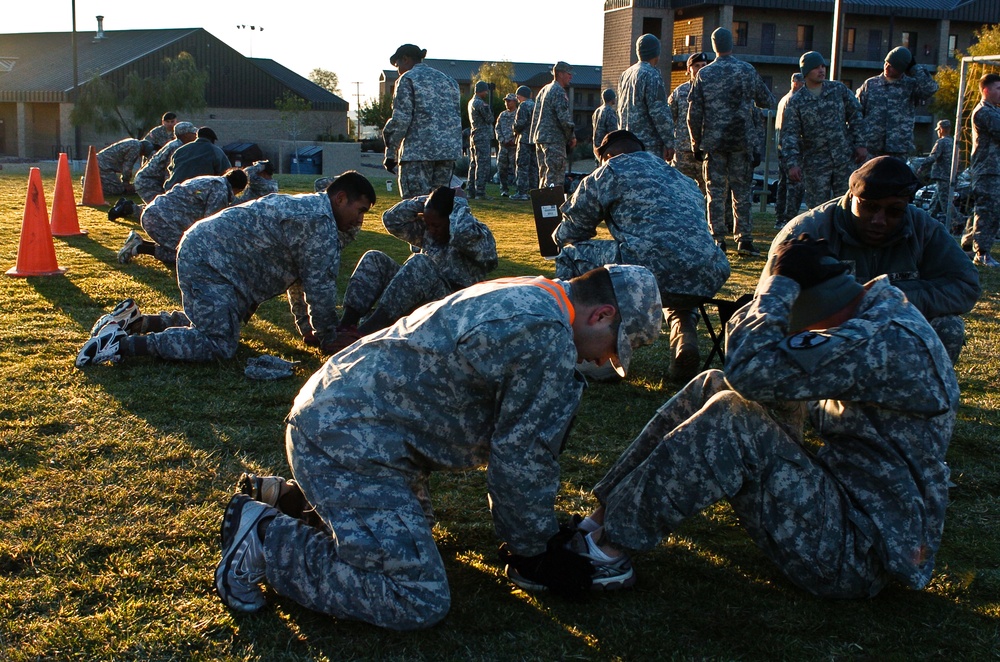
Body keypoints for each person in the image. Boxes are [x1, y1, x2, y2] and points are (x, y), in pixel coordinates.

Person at [212, 264, 664, 628]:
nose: (604, 359)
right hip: (348, 441)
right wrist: (535, 551)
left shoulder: (534, 291)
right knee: (415, 595)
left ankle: (295, 500)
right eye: (614, 347)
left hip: (348, 423)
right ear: (601, 314)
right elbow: (522, 455)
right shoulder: (544, 334)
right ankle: (265, 539)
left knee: (414, 531)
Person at [585, 233, 959, 601]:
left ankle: (608, 551)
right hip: (847, 506)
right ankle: (601, 518)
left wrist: (777, 289)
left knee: (732, 416)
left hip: (860, 553)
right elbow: (740, 371)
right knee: (713, 385)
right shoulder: (868, 311)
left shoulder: (875, 339)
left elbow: (750, 371)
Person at [76, 172, 376, 367]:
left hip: (213, 257)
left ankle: (138, 321)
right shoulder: (320, 223)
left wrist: (308, 329)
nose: (359, 220)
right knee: (217, 344)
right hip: (211, 261)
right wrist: (327, 335)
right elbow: (319, 285)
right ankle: (122, 345)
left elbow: (301, 278)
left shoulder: (312, 209)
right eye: (359, 210)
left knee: (223, 320)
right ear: (340, 198)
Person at [764, 155, 980, 363]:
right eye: (869, 207)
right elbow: (768, 306)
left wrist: (890, 298)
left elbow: (966, 285)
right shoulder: (808, 231)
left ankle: (909, 398)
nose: (879, 220)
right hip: (826, 339)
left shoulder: (922, 228)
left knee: (948, 326)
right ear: (851, 197)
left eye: (894, 211)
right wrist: (840, 307)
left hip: (893, 333)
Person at [553, 130, 730, 380]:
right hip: (707, 274)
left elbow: (571, 231)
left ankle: (592, 352)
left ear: (609, 156)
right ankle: (684, 336)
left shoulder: (611, 170)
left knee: (569, 256)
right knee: (673, 267)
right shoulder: (680, 177)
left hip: (650, 271)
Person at [337, 185, 498, 345]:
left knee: (421, 263)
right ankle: (345, 327)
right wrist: (428, 201)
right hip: (419, 298)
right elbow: (392, 220)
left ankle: (365, 332)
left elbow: (462, 234)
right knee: (375, 258)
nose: (431, 230)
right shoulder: (431, 233)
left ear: (451, 217)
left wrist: (459, 203)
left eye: (436, 225)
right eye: (428, 224)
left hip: (451, 310)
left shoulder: (479, 236)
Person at [687, 27, 775, 256]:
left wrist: (696, 143)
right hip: (742, 141)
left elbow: (693, 114)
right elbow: (767, 100)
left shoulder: (704, 75)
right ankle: (744, 240)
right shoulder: (746, 70)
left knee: (715, 193)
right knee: (742, 193)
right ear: (731, 44)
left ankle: (717, 239)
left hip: (714, 143)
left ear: (714, 46)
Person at [782, 51, 869, 210]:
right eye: (816, 67)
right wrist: (792, 164)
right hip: (816, 163)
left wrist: (861, 144)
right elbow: (790, 135)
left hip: (843, 159)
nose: (821, 70)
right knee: (819, 209)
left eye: (823, 66)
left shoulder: (838, 90)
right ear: (806, 72)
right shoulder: (796, 102)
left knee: (848, 204)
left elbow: (856, 115)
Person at [116, 168, 249, 267]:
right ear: (238, 189)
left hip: (155, 213)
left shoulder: (210, 180)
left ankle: (140, 243)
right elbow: (209, 224)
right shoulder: (220, 190)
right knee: (187, 255)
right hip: (160, 220)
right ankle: (138, 248)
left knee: (187, 248)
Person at [382, 44, 462, 199]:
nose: (398, 70)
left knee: (414, 204)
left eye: (397, 65)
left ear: (405, 59)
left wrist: (391, 153)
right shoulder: (449, 81)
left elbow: (401, 119)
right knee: (439, 207)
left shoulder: (407, 79)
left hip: (417, 154)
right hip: (447, 153)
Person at [856, 46, 939, 160]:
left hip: (899, 149)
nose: (887, 68)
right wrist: (859, 143)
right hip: (871, 148)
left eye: (892, 66)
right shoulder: (870, 84)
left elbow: (930, 89)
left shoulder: (910, 85)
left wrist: (915, 69)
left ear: (901, 69)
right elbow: (857, 115)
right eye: (886, 63)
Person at [617, 34, 674, 162]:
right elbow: (659, 112)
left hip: (627, 142)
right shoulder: (652, 75)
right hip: (648, 146)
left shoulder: (626, 75)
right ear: (656, 53)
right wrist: (669, 142)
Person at [963, 73, 1000, 267]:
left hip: (992, 169)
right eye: (998, 88)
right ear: (986, 90)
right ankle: (982, 253)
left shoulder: (994, 110)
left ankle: (968, 246)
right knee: (989, 210)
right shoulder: (985, 112)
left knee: (982, 208)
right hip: (988, 169)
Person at [530, 62, 577, 189]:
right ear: (560, 74)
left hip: (541, 139)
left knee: (544, 175)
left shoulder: (544, 90)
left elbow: (535, 116)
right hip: (554, 140)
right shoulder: (558, 91)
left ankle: (542, 207)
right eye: (569, 74)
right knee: (554, 178)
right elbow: (564, 118)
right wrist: (571, 137)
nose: (570, 77)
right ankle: (552, 208)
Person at [668, 52, 709, 191]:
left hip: (705, 151)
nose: (700, 69)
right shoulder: (680, 92)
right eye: (696, 66)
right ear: (689, 69)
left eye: (703, 65)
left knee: (708, 192)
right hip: (683, 152)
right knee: (679, 190)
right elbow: (669, 120)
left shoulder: (713, 91)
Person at [132, 122, 199, 206]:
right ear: (185, 135)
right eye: (193, 133)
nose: (195, 136)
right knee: (163, 208)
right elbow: (169, 172)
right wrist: (170, 192)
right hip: (148, 182)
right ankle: (129, 209)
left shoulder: (179, 145)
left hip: (154, 181)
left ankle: (131, 208)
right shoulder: (176, 147)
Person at [773, 72, 805, 229]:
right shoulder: (794, 100)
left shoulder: (784, 99)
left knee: (783, 184)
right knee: (794, 186)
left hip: (782, 147)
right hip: (792, 148)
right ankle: (788, 218)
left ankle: (780, 218)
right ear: (795, 83)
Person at [164, 127, 231, 191]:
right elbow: (227, 172)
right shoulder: (215, 151)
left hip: (174, 189)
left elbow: (171, 169)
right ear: (212, 139)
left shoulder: (181, 150)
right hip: (197, 192)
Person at [467, 81, 495, 199]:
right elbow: (489, 118)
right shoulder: (480, 104)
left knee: (473, 164)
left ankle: (471, 190)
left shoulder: (471, 102)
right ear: (481, 91)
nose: (486, 93)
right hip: (482, 136)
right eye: (485, 90)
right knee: (482, 164)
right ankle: (480, 192)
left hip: (474, 135)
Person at [511, 85, 538, 200]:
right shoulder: (536, 106)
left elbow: (520, 123)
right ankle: (534, 191)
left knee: (522, 166)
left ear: (520, 95)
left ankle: (521, 192)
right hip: (534, 140)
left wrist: (514, 128)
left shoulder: (523, 106)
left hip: (524, 140)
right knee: (533, 167)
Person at [925, 120, 955, 225]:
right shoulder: (953, 142)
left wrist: (922, 166)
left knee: (945, 202)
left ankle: (957, 221)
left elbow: (933, 156)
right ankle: (927, 222)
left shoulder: (941, 142)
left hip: (942, 175)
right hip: (949, 175)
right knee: (935, 203)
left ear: (941, 130)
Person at [495, 93, 518, 197]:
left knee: (516, 169)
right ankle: (504, 189)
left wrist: (514, 140)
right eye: (506, 101)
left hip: (514, 147)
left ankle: (518, 189)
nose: (507, 103)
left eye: (509, 101)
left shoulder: (518, 114)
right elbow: (497, 128)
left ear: (514, 101)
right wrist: (502, 139)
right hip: (503, 147)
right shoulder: (502, 115)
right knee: (501, 169)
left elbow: (521, 129)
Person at [591, 88, 618, 161]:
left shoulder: (597, 111)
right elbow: (613, 132)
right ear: (612, 99)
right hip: (606, 148)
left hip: (596, 148)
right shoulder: (610, 111)